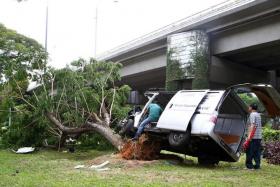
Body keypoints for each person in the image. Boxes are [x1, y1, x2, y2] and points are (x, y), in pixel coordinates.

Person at [243, 103, 262, 170]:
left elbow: (252, 125)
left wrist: (249, 136)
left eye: (249, 107)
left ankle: (249, 166)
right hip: (258, 136)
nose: (248, 108)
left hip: (253, 137)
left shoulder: (252, 114)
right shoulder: (258, 115)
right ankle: (257, 166)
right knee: (257, 152)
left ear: (251, 108)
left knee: (249, 151)